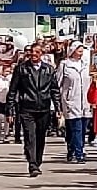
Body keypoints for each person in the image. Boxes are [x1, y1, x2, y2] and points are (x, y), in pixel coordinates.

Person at [7, 41, 60, 178]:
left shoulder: (49, 69)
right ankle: (32, 164)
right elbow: (12, 90)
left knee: (40, 137)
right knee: (30, 136)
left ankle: (37, 160)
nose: (34, 54)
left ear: (42, 54)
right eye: (32, 52)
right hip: (27, 108)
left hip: (44, 108)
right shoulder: (21, 69)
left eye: (37, 52)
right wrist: (10, 110)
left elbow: (54, 90)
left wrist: (58, 108)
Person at [58, 43, 91, 165]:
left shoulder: (86, 64)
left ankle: (72, 149)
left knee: (82, 128)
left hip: (85, 101)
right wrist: (58, 102)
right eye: (78, 50)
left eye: (82, 50)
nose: (81, 53)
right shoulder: (65, 65)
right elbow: (58, 83)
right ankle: (79, 153)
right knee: (76, 127)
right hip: (71, 101)